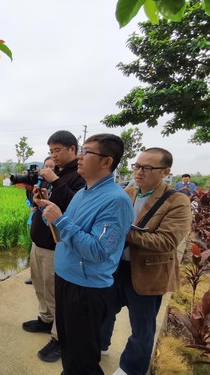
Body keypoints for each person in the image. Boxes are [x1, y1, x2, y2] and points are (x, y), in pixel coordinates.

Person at [34, 133, 134, 375]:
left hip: (87, 290)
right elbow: (67, 234)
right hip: (66, 280)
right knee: (68, 347)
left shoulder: (116, 201)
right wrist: (50, 212)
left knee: (83, 357)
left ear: (106, 161)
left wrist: (61, 220)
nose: (80, 156)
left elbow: (98, 251)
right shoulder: (82, 192)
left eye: (87, 152)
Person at [101, 148, 192, 375]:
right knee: (103, 310)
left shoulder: (177, 202)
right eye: (137, 166)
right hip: (117, 268)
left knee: (142, 328)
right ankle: (100, 346)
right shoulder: (128, 192)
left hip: (148, 275)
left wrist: (123, 232)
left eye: (148, 167)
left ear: (166, 172)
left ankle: (130, 369)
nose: (140, 171)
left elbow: (166, 241)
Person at [22, 130, 85, 363]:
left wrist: (55, 181)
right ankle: (45, 319)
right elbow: (41, 205)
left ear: (72, 150)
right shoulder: (55, 174)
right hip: (39, 242)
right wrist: (36, 197)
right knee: (40, 285)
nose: (54, 155)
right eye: (50, 151)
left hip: (57, 247)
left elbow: (75, 207)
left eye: (57, 150)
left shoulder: (79, 177)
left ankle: (60, 338)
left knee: (57, 294)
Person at [24, 156, 56, 286]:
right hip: (35, 223)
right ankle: (34, 276)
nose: (48, 170)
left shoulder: (56, 186)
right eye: (46, 166)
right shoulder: (41, 183)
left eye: (52, 167)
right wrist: (29, 188)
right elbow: (32, 202)